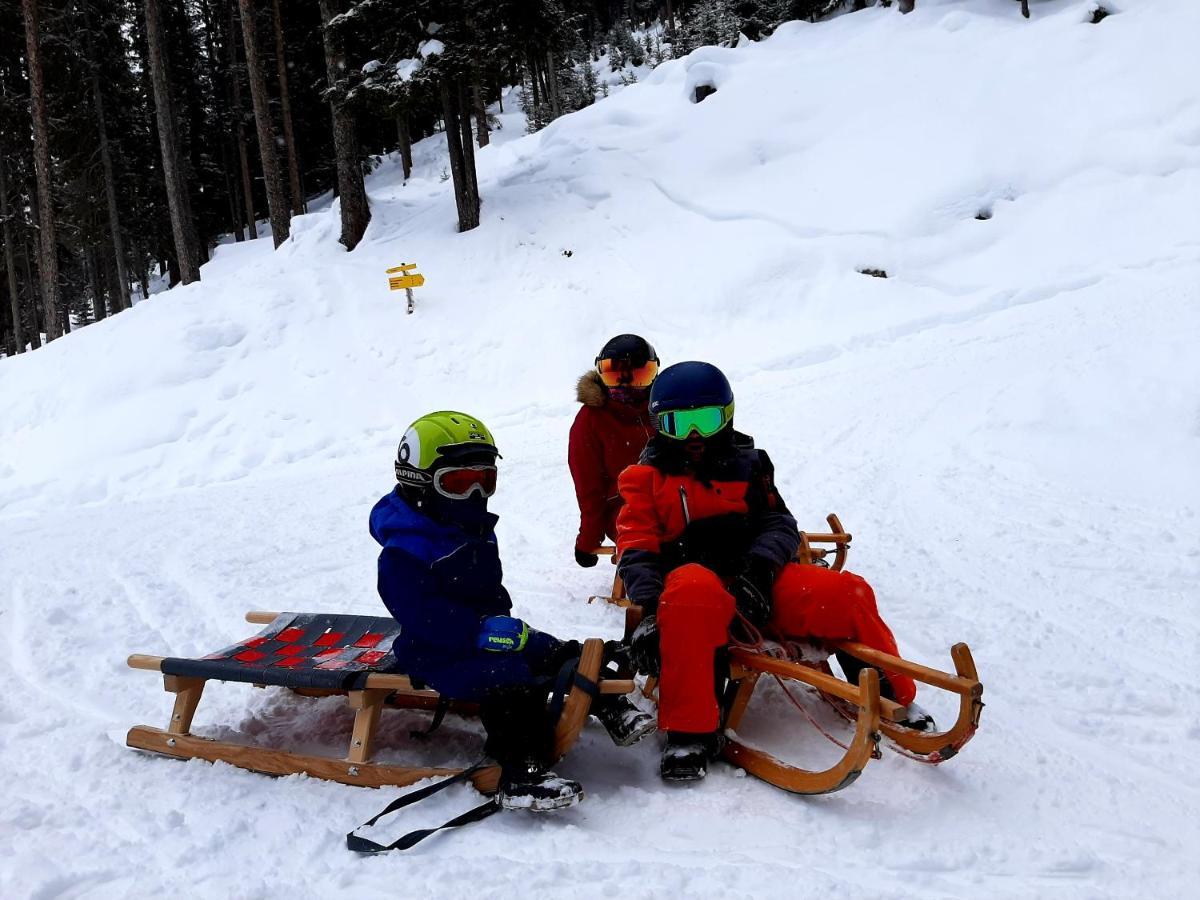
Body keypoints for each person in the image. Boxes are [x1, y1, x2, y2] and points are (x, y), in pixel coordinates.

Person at [615, 363, 933, 782]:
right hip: (690, 584)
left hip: (753, 579)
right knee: (693, 593)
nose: (694, 436)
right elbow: (635, 544)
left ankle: (894, 696)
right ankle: (689, 731)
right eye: (679, 424)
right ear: (660, 426)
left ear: (726, 418)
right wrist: (652, 607)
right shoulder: (644, 478)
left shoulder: (750, 464)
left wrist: (759, 572)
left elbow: (778, 523)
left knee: (844, 592)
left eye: (705, 421)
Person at [370, 411, 654, 810]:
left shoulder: (470, 527)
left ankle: (610, 706)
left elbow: (487, 586)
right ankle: (521, 773)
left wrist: (502, 627)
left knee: (551, 649)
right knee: (510, 677)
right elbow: (418, 612)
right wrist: (476, 631)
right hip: (435, 652)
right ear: (419, 482)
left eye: (483, 480)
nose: (473, 495)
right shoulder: (405, 550)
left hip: (487, 632)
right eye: (456, 483)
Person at [569, 334, 659, 568]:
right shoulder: (591, 420)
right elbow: (589, 488)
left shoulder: (661, 407)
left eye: (639, 376)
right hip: (624, 507)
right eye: (615, 376)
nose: (627, 386)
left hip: (671, 497)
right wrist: (589, 539)